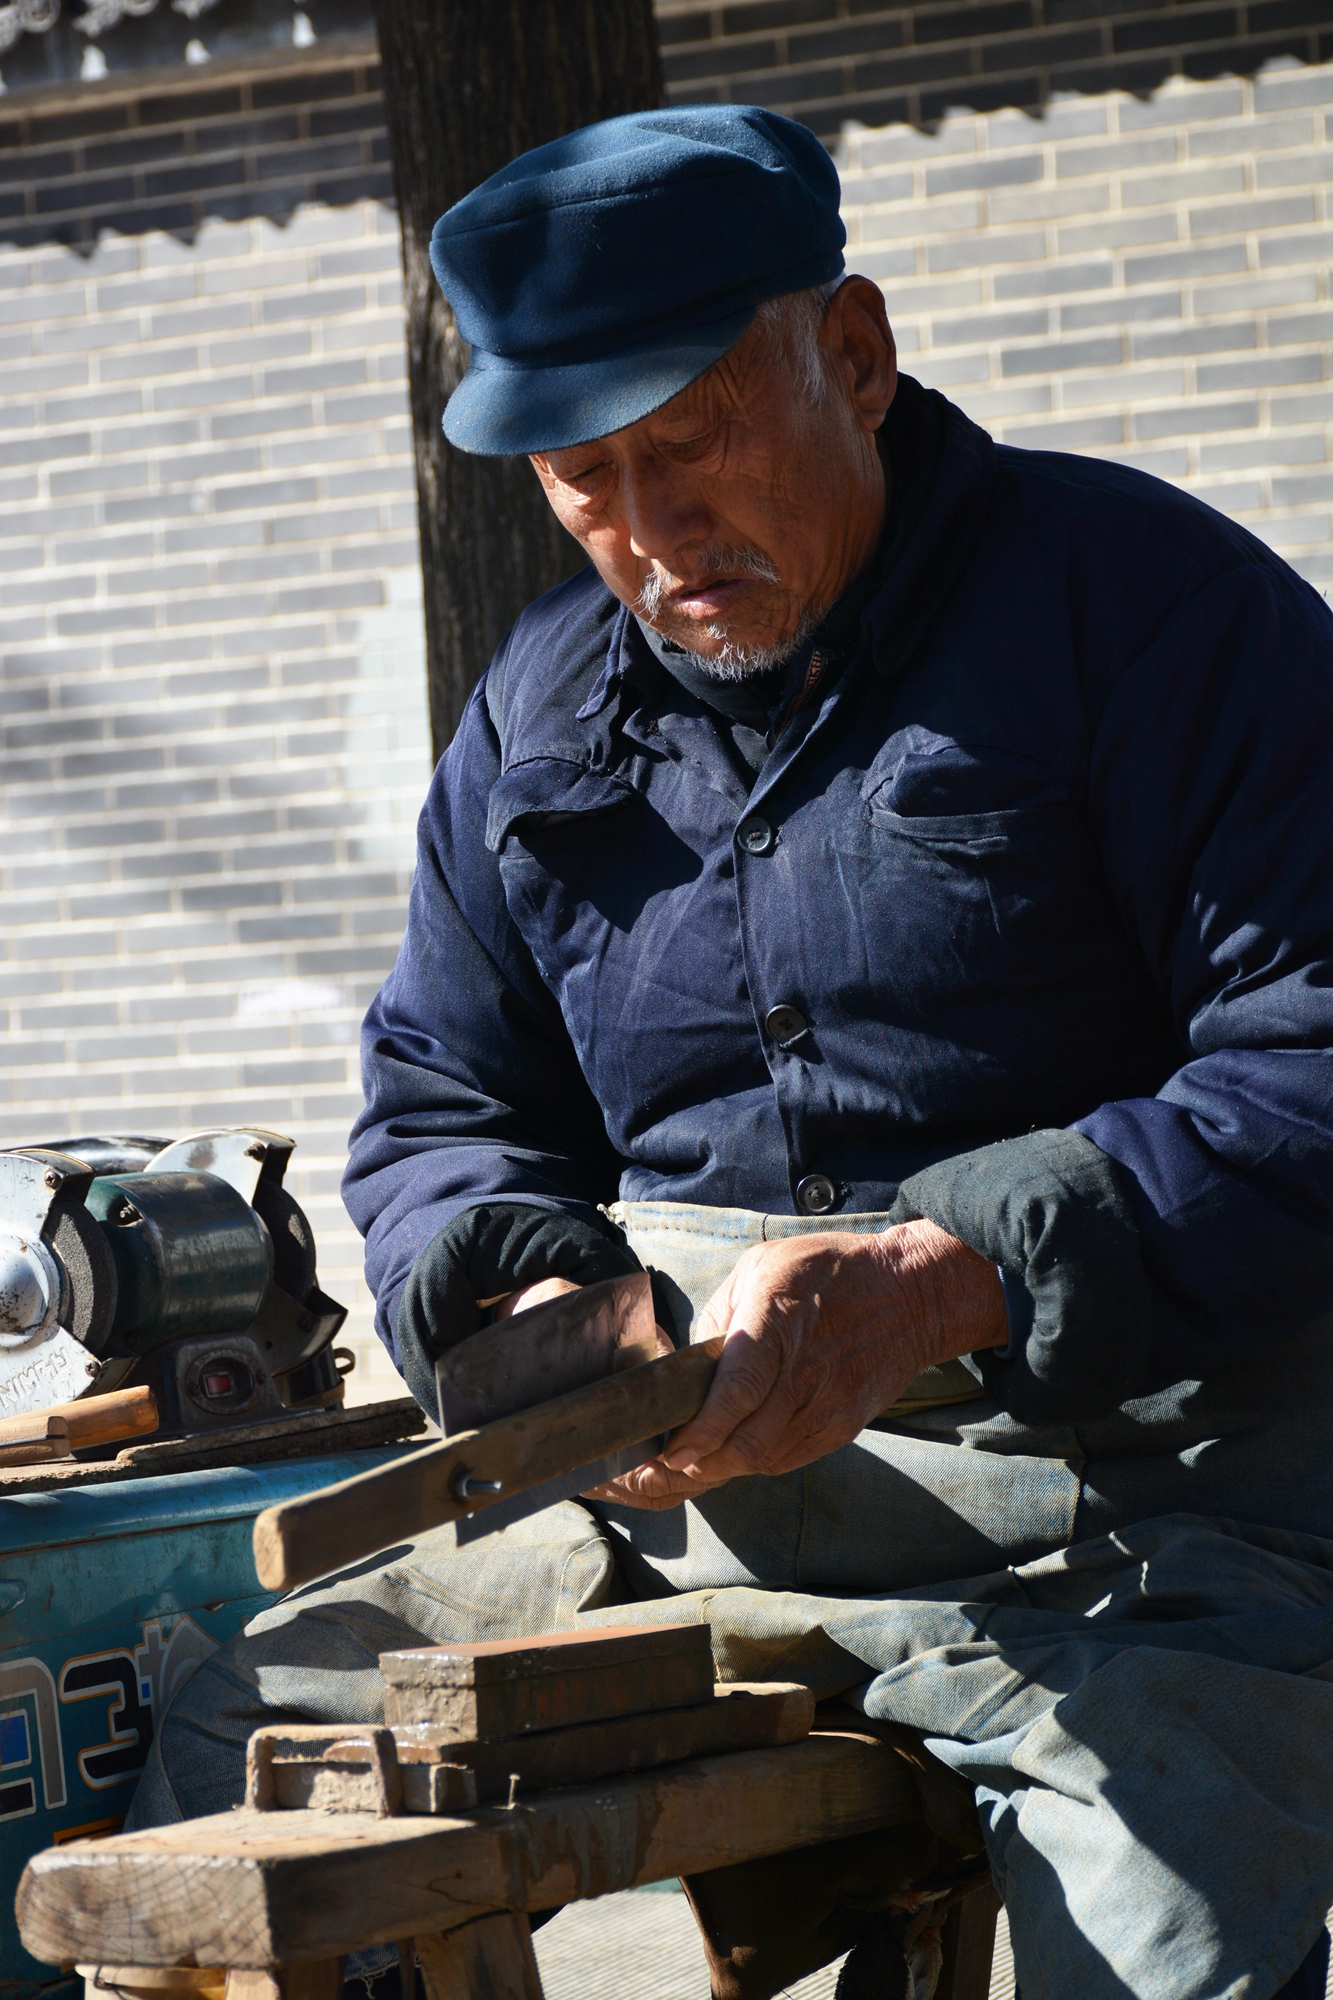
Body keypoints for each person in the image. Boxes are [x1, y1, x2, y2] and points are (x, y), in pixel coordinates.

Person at [127, 106, 1333, 2000]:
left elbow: (1312, 1060)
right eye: (582, 478)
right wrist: (524, 1290)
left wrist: (946, 1273)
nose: (648, 535)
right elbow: (443, 1107)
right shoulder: (534, 710)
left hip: (1127, 1520)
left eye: (689, 442)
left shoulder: (1154, 616)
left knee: (1144, 1928)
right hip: (673, 1524)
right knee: (238, 1741)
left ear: (850, 354)